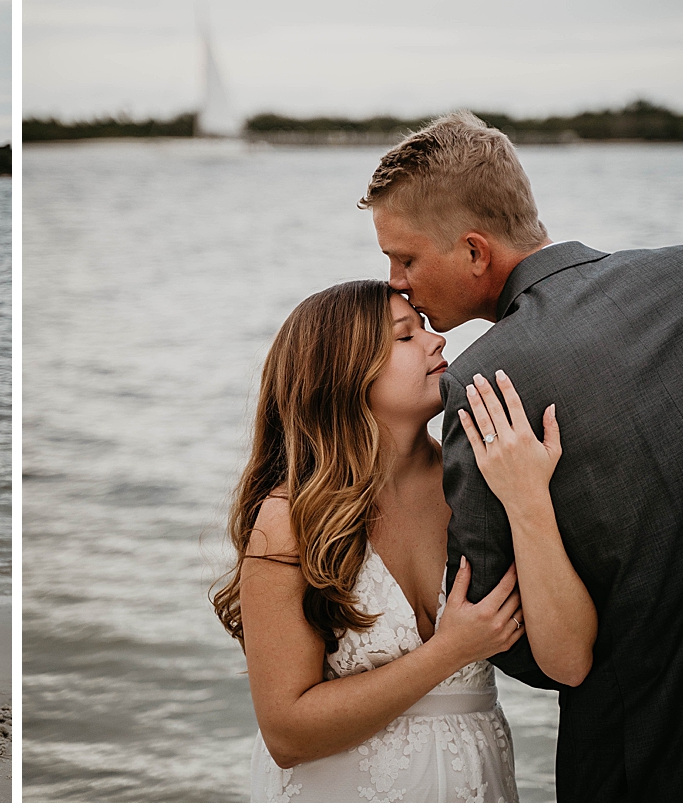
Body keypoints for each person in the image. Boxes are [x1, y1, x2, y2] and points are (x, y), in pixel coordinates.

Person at [361, 111, 683, 801]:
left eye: (405, 258)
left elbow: (517, 638)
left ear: (473, 252)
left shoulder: (487, 383)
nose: (398, 283)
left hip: (638, 751)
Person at [213, 279, 596, 801]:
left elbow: (572, 659)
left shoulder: (483, 481)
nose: (436, 340)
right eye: (404, 336)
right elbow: (287, 732)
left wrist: (529, 495)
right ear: (344, 371)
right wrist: (451, 650)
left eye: (425, 328)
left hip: (476, 780)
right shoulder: (293, 519)